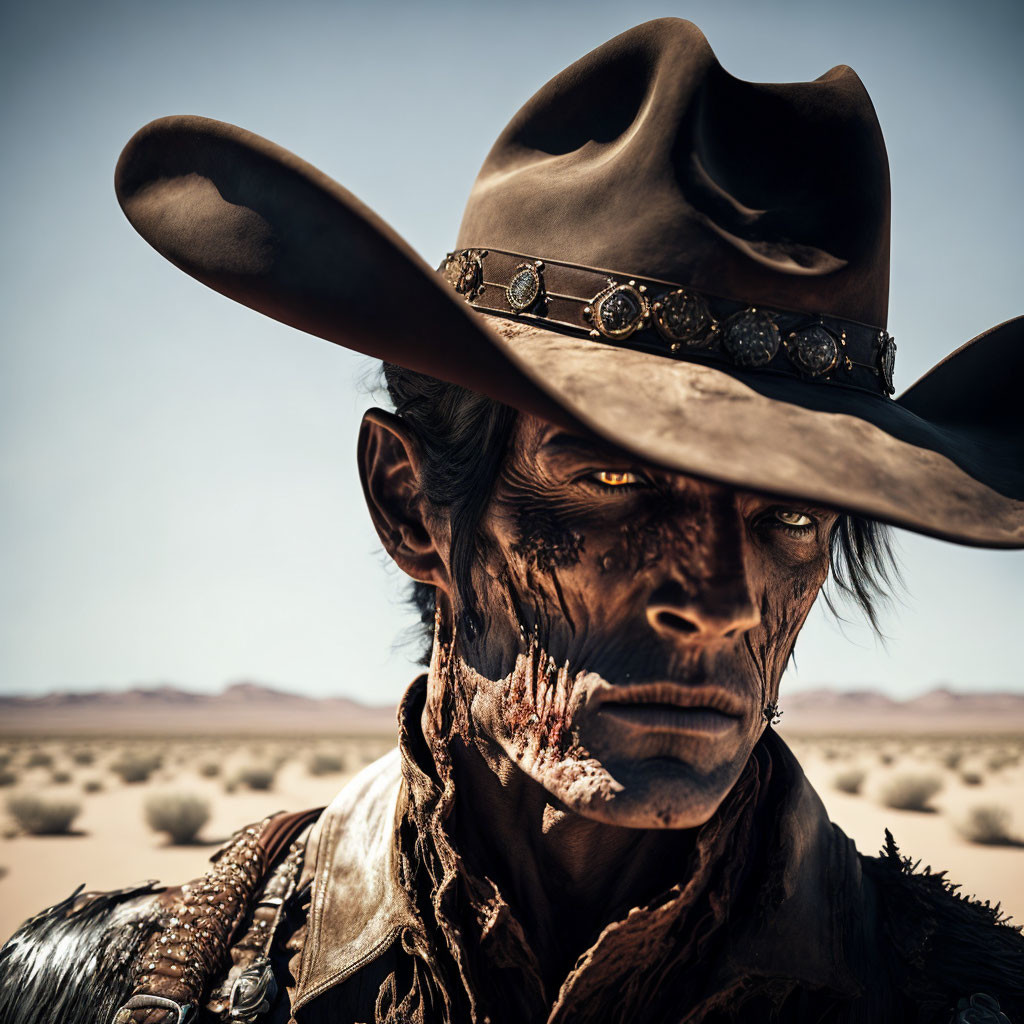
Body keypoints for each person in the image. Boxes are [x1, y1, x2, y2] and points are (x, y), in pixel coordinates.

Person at [1, 17, 1022, 1024]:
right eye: (615, 484)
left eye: (793, 514)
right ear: (412, 505)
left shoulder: (963, 998)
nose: (713, 601)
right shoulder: (132, 992)